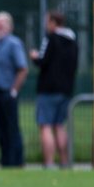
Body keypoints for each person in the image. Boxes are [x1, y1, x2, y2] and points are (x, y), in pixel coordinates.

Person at [30, 10, 78, 169]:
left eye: (47, 21)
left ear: (53, 22)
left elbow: (43, 61)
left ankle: (49, 163)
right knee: (59, 125)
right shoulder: (72, 41)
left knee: (46, 126)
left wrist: (35, 57)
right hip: (66, 89)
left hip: (48, 89)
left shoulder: (50, 39)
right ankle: (64, 162)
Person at [0, 11, 27, 168]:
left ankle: (15, 161)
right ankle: (5, 160)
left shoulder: (13, 44)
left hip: (7, 93)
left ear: (9, 26)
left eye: (1, 24)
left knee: (12, 129)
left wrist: (14, 90)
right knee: (1, 129)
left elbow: (23, 68)